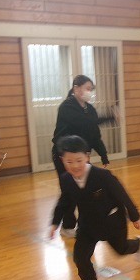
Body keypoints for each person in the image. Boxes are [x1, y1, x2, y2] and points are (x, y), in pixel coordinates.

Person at [49, 136, 140, 280]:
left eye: (79, 160)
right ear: (62, 160)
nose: (75, 166)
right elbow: (64, 202)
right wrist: (54, 223)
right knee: (80, 256)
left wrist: (134, 216)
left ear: (87, 157)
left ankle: (138, 244)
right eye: (69, 161)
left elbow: (122, 194)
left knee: (121, 250)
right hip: (88, 225)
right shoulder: (66, 179)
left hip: (111, 221)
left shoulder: (102, 176)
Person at [51, 75, 114, 237]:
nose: (89, 92)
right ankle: (67, 226)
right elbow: (85, 122)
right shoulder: (67, 107)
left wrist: (103, 155)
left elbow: (95, 135)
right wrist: (109, 117)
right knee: (70, 190)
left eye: (91, 89)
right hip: (64, 157)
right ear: (76, 88)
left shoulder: (89, 109)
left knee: (87, 188)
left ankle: (87, 223)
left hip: (81, 157)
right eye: (87, 88)